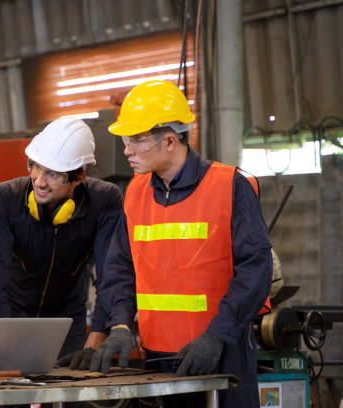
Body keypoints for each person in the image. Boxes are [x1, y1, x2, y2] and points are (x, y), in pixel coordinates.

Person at [90, 80, 272, 408]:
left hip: (220, 354)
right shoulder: (134, 193)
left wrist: (217, 336)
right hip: (157, 362)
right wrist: (119, 324)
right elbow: (121, 266)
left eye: (136, 140)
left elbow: (255, 270)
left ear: (171, 140)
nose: (126, 149)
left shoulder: (231, 187)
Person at [0, 117, 124, 363]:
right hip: (9, 317)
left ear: (78, 178)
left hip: (66, 323)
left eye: (53, 174)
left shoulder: (105, 201)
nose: (40, 181)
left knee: (71, 396)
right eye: (36, 167)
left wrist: (96, 339)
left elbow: (111, 274)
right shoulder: (3, 200)